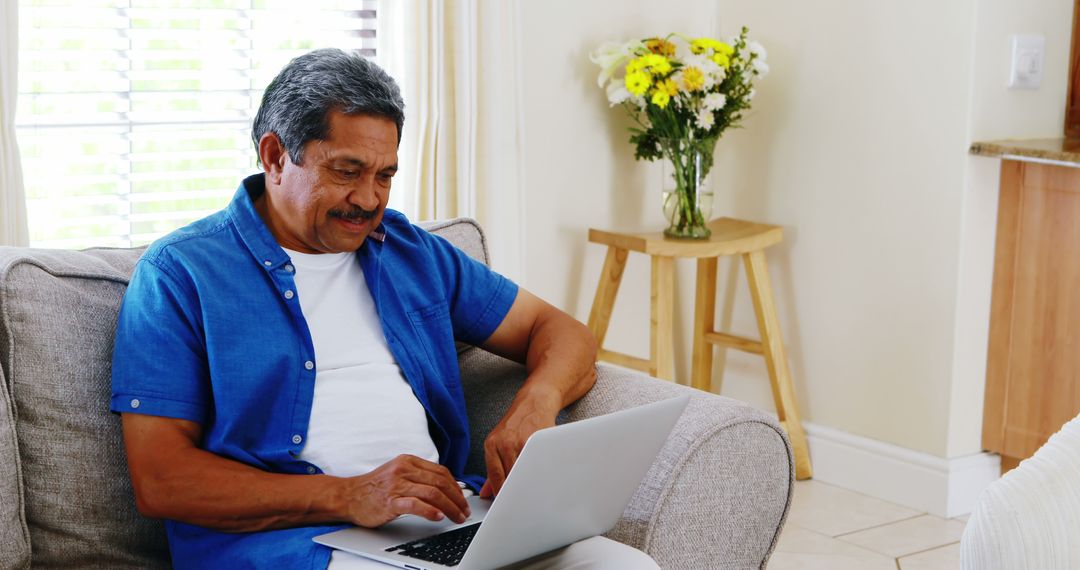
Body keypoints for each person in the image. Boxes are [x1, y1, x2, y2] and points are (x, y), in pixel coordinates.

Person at [110, 48, 659, 569]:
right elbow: (161, 479)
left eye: (385, 175)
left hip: (438, 521)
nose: (370, 200)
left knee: (623, 564)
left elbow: (562, 332)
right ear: (276, 156)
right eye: (347, 171)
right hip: (291, 545)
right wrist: (350, 495)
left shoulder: (409, 252)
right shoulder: (181, 273)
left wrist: (535, 404)